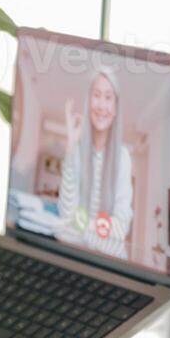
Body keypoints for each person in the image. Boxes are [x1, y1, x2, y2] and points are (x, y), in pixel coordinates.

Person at [54, 66, 134, 258]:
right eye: (96, 95)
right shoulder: (77, 151)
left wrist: (81, 226)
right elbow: (66, 213)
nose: (101, 105)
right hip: (73, 254)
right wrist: (71, 146)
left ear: (115, 108)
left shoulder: (123, 157)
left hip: (109, 260)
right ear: (88, 101)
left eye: (108, 97)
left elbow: (121, 227)